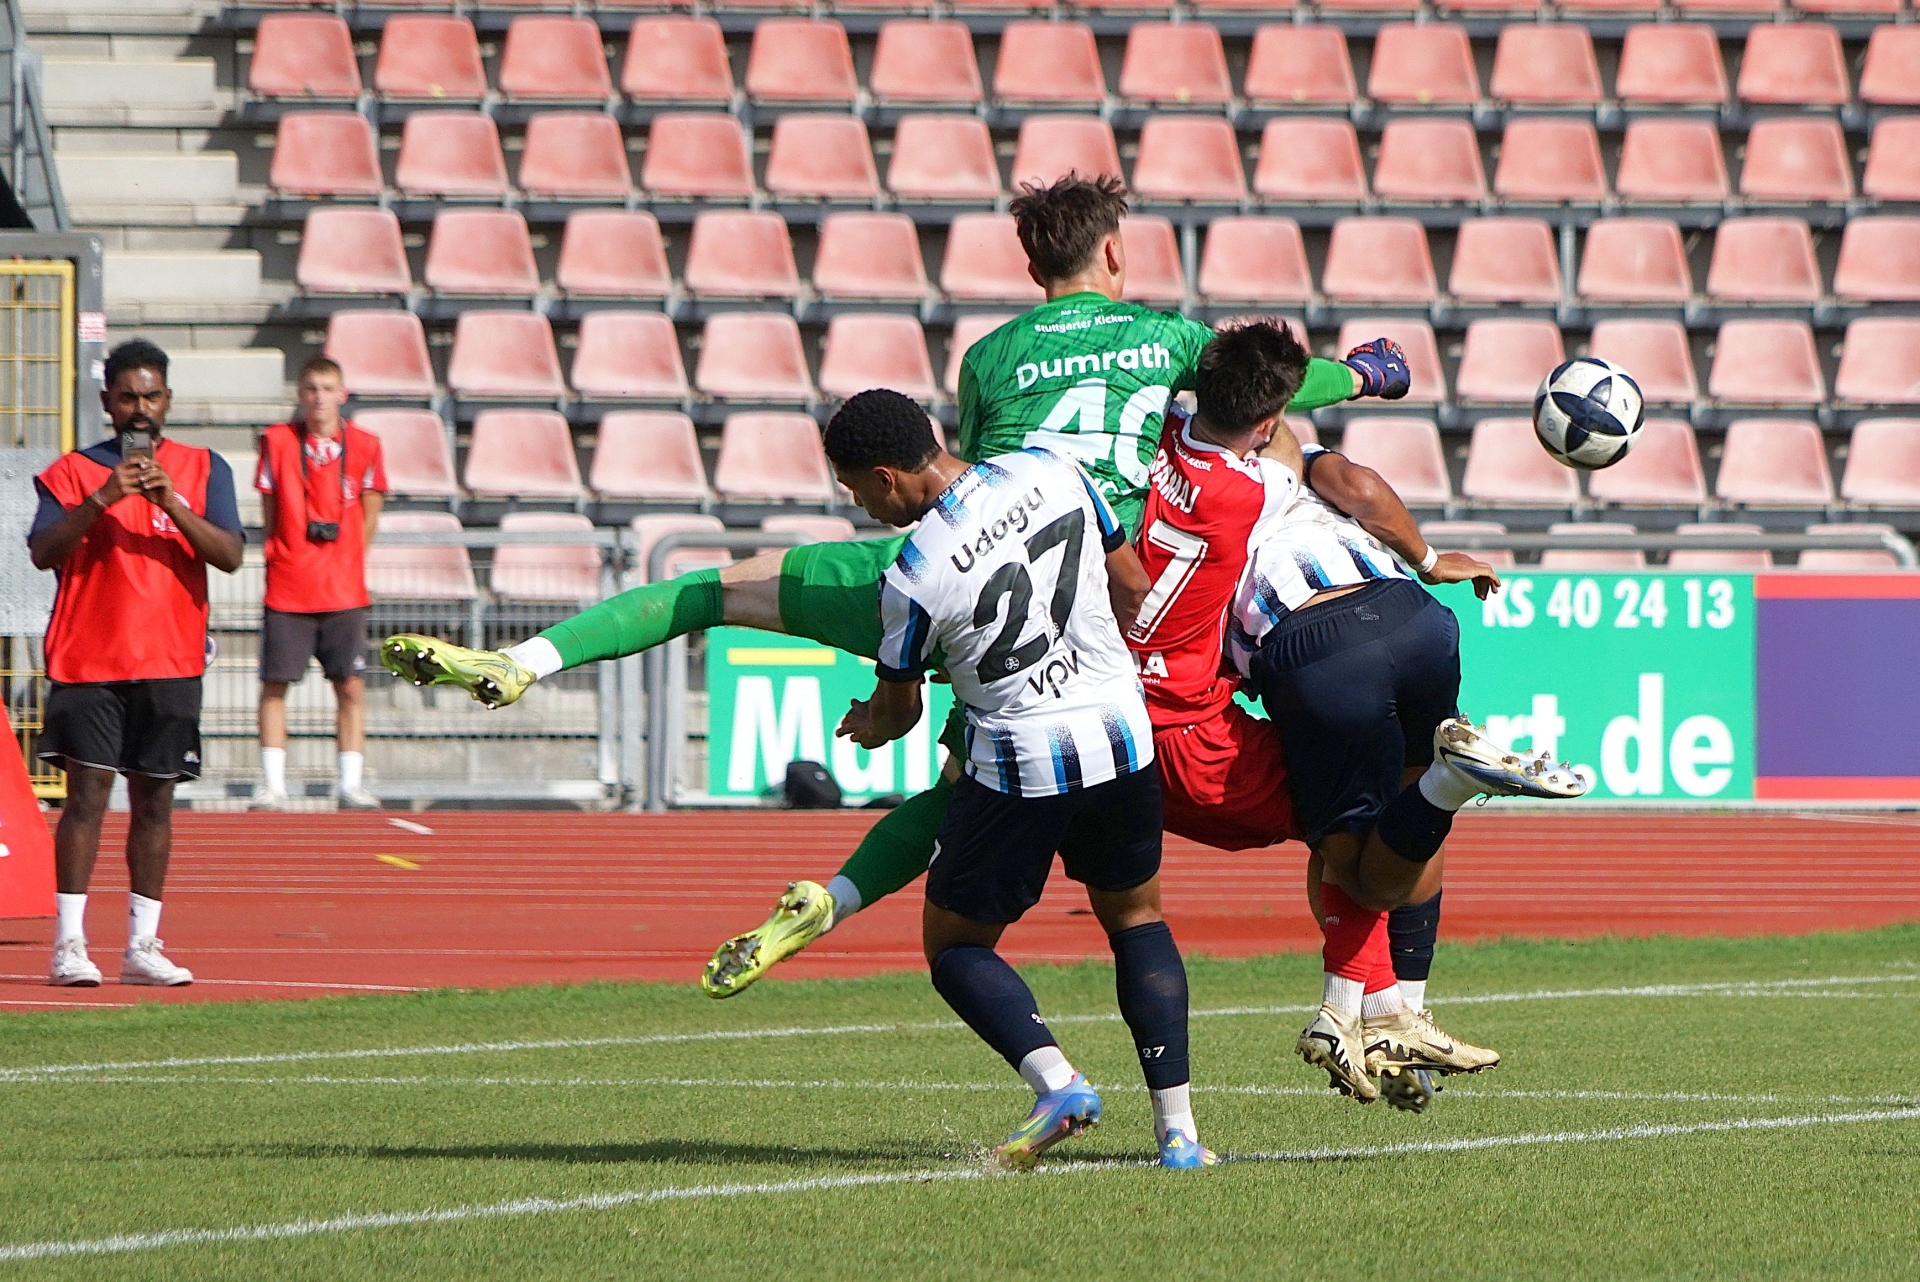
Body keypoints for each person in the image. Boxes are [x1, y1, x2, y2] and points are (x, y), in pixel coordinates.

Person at [378, 176, 1407, 995]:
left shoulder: (990, 356)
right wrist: (1365, 373)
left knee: (714, 590)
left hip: (942, 568)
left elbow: (968, 477)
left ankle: (528, 659)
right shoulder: (1173, 339)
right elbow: (1267, 385)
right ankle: (835, 898)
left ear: (1032, 265)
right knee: (976, 795)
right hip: (1090, 592)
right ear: (1114, 255)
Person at [827, 389, 1213, 1169]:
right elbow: (1132, 585)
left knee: (954, 945)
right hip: (1120, 734)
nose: (861, 507)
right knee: (1137, 919)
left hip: (1021, 763)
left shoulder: (911, 575)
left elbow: (900, 712)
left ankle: (1058, 1083)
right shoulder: (1052, 468)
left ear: (886, 477)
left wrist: (869, 722)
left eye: (857, 491)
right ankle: (1179, 1136)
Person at [1224, 404, 1586, 1101]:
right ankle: (1402, 1020)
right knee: (1407, 816)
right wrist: (1431, 561)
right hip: (1414, 618)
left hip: (1313, 644)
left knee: (1352, 863)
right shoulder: (1293, 455)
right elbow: (1361, 488)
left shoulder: (1185, 494)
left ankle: (1356, 1007)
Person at [26, 339, 245, 986]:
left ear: (168, 399)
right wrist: (102, 499)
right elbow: (43, 551)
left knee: (155, 802)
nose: (140, 408)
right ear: (108, 402)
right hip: (88, 658)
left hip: (171, 659)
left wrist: (171, 503)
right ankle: (69, 944)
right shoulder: (72, 471)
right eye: (128, 397)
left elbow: (230, 555)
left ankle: (142, 945)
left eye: (151, 396)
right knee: (87, 797)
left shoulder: (203, 468)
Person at [251, 355, 387, 810]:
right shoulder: (277, 442)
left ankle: (349, 784)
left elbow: (370, 513)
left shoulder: (365, 445)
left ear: (342, 394)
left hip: (343, 590)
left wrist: (346, 560)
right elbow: (270, 510)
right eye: (311, 389)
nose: (319, 398)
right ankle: (273, 785)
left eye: (328, 389)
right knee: (275, 684)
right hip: (288, 588)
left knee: (349, 685)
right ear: (300, 394)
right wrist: (283, 553)